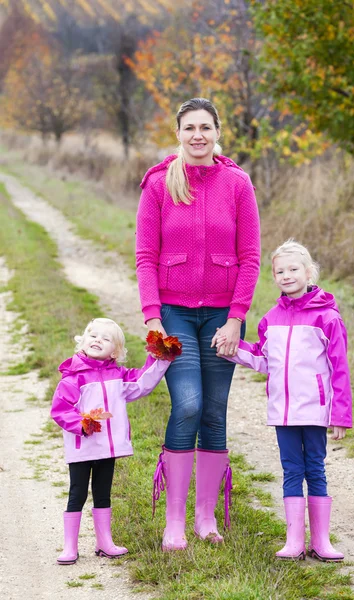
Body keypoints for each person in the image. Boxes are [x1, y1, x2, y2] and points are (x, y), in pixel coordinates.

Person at [136, 97, 261, 551]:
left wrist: (236, 320)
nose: (197, 136)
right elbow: (146, 257)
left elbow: (249, 259)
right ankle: (174, 522)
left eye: (205, 127)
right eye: (189, 128)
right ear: (178, 133)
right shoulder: (157, 184)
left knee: (213, 411)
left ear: (217, 131)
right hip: (173, 313)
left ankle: (206, 518)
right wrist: (153, 317)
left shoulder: (237, 183)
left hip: (222, 318)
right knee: (187, 404)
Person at [215, 239, 352, 561]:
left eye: (293, 269)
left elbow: (339, 368)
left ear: (308, 272)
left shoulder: (328, 318)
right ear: (273, 276)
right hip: (283, 410)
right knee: (291, 469)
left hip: (316, 409)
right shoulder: (270, 319)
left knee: (315, 468)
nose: (286, 275)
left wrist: (340, 414)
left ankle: (321, 541)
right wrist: (232, 350)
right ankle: (294, 541)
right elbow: (265, 361)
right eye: (280, 271)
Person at [50, 317, 173, 565]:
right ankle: (69, 546)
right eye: (93, 335)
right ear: (82, 342)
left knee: (103, 493)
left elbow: (142, 383)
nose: (97, 340)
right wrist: (80, 424)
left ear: (115, 351)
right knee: (77, 493)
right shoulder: (73, 377)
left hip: (107, 448)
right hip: (82, 448)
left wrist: (161, 358)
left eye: (106, 339)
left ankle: (104, 542)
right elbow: (60, 409)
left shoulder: (118, 375)